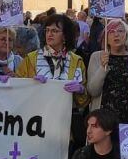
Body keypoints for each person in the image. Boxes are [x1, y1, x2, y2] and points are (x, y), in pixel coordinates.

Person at [16, 14, 90, 149]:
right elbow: (17, 90)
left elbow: (83, 102)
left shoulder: (77, 61)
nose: (49, 34)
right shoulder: (31, 59)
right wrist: (29, 85)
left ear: (65, 36)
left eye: (55, 31)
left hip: (66, 128)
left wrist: (80, 90)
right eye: (47, 30)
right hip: (36, 124)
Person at [86, 19, 128, 123]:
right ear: (106, 37)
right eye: (111, 31)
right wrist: (102, 68)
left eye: (120, 31)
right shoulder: (97, 57)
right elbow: (93, 91)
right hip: (103, 119)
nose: (116, 34)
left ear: (126, 35)